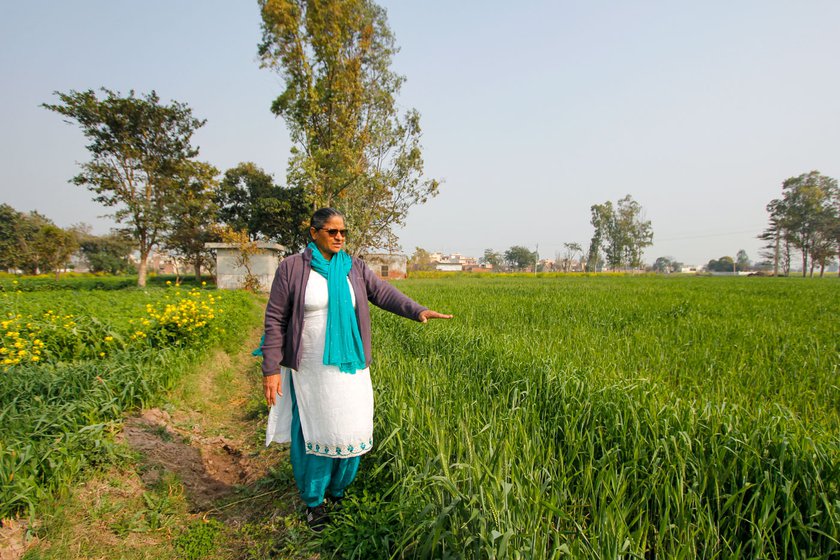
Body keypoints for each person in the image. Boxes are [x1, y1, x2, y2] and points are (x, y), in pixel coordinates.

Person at [260, 207, 452, 531]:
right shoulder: (292, 268)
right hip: (310, 369)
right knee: (315, 431)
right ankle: (314, 501)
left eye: (343, 232)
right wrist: (270, 369)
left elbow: (383, 293)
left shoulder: (354, 268)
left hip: (350, 365)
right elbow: (276, 319)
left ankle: (338, 492)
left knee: (352, 429)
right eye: (332, 231)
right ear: (314, 233)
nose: (339, 237)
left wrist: (417, 310)